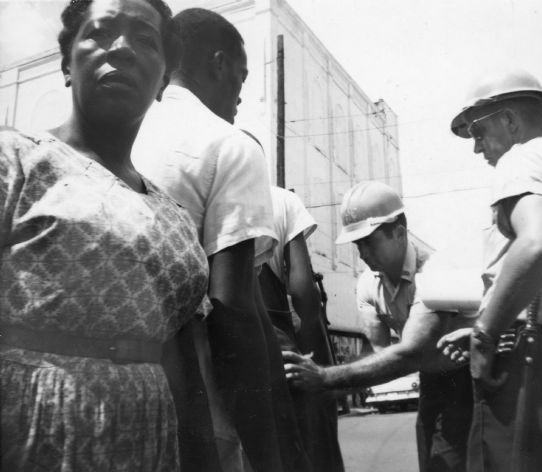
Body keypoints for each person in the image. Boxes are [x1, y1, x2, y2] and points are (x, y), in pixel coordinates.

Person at [0, 0, 220, 470]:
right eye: (99, 32)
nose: (120, 48)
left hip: (149, 446)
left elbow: (186, 370)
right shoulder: (15, 162)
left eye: (144, 39)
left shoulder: (176, 219)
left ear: (163, 80)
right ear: (66, 61)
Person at [133, 8, 309, 472]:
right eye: (240, 75)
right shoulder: (229, 145)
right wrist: (269, 450)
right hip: (191, 386)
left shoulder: (123, 131)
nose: (240, 95)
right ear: (217, 63)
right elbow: (232, 309)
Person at [442, 69, 542, 472]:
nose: (477, 148)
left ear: (510, 121)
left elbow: (537, 243)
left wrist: (485, 334)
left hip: (535, 362)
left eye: (478, 132)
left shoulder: (520, 160)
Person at [284, 181, 474, 472]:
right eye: (357, 244)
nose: (361, 253)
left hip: (472, 381)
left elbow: (408, 353)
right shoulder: (368, 285)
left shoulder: (436, 270)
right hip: (433, 382)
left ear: (399, 232)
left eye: (368, 242)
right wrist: (322, 389)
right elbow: (382, 358)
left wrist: (324, 378)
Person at [258, 184, 345, 472]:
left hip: (224, 342)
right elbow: (303, 294)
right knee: (314, 446)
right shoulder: (281, 199)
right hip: (278, 345)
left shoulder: (208, 195)